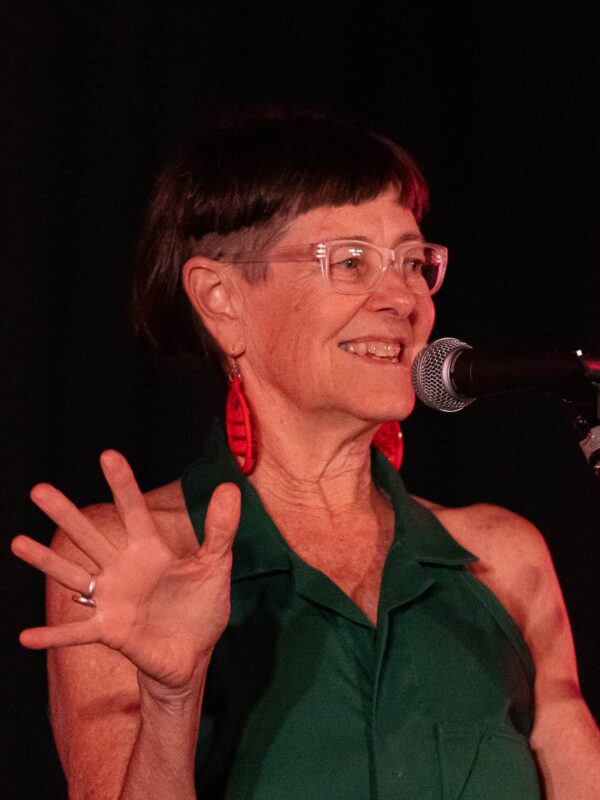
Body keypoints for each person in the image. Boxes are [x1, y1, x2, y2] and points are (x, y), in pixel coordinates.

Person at [11, 108, 600, 800]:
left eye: (413, 263)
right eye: (350, 262)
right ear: (220, 298)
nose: (402, 299)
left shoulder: (504, 558)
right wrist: (172, 699)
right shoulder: (121, 556)